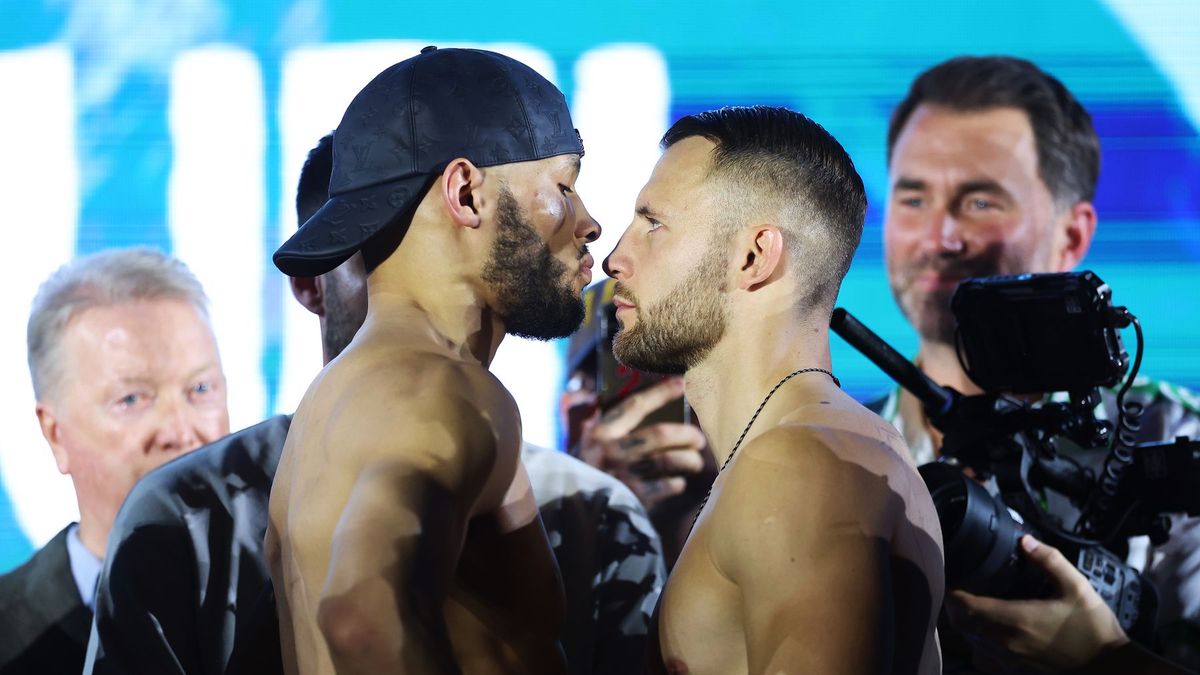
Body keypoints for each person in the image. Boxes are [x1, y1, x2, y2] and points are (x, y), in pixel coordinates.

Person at [84, 133, 664, 675]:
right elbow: (360, 620)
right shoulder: (185, 513)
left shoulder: (593, 508)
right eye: (380, 256)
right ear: (312, 283)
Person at [267, 46, 603, 674]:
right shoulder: (438, 391)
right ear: (465, 192)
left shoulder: (338, 400)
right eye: (564, 186)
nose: (590, 223)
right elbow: (361, 618)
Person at [876, 54, 1200, 671]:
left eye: (980, 203)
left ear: (1072, 237)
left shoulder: (1175, 439)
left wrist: (1104, 660)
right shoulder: (835, 450)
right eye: (913, 198)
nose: (939, 238)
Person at [603, 105, 945, 674]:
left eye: (653, 223)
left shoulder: (798, 466)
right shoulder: (835, 447)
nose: (616, 258)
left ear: (754, 257)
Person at [0, 248, 229, 673]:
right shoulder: (11, 638)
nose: (181, 432)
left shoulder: (291, 600)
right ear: (55, 434)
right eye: (132, 399)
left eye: (200, 389)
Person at [562, 279, 712, 569]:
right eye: (621, 379)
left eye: (673, 371)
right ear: (574, 413)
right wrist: (578, 521)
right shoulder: (541, 518)